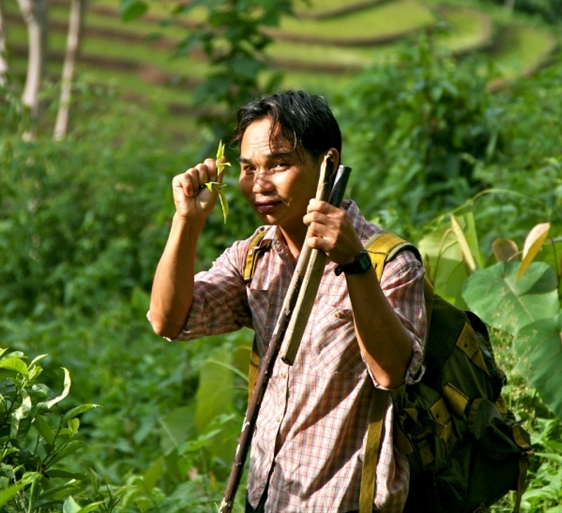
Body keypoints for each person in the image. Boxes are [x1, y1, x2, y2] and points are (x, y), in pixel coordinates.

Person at [148, 90, 426, 512]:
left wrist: (354, 265)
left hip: (342, 501)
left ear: (327, 165)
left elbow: (392, 373)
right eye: (248, 169)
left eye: (278, 164)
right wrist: (187, 220)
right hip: (267, 496)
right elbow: (168, 320)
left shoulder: (389, 262)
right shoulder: (255, 256)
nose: (259, 185)